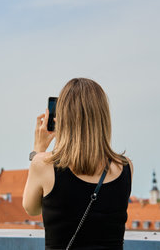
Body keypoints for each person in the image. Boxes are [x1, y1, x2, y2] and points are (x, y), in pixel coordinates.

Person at [23, 78, 133, 250]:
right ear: (103, 117)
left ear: (63, 118)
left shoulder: (43, 165)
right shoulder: (125, 167)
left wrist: (38, 150)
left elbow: (32, 208)